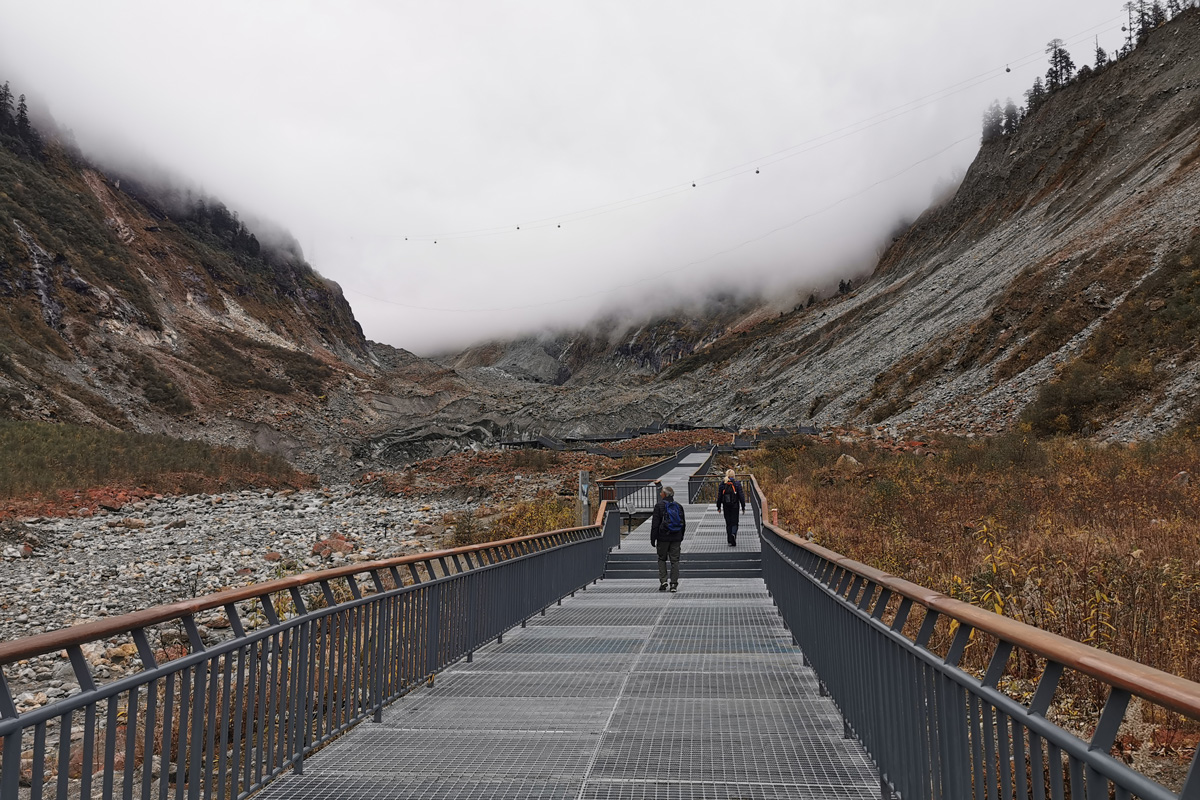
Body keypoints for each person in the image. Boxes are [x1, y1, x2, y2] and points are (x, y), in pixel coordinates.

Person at [650, 485, 686, 592]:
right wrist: (681, 536)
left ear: (664, 494)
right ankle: (674, 584)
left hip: (663, 538)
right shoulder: (679, 506)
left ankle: (664, 580)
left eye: (661, 492)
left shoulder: (659, 506)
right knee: (675, 561)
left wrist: (653, 538)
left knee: (662, 558)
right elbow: (683, 523)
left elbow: (655, 524)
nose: (660, 494)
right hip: (676, 537)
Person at [715, 469, 745, 546]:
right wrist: (743, 506)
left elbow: (719, 496)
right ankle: (733, 534)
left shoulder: (723, 484)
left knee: (728, 523)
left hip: (726, 506)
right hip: (735, 506)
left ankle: (729, 540)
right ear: (733, 475)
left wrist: (718, 507)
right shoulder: (737, 484)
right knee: (735, 522)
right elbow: (741, 496)